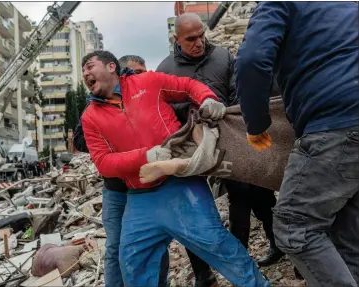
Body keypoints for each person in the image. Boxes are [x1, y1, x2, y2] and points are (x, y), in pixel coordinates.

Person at [81, 50, 269, 287]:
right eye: (83, 71)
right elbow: (103, 163)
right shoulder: (90, 117)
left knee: (216, 243)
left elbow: (188, 86)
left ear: (110, 67)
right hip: (141, 199)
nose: (85, 73)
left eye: (89, 66)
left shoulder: (148, 82)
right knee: (132, 261)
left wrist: (208, 98)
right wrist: (145, 156)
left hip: (180, 186)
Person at [235, 2, 359, 286]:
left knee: (294, 226)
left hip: (334, 124)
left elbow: (252, 59)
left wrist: (255, 125)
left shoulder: (279, 3)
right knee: (348, 232)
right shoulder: (347, 7)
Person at [74, 55, 217, 287]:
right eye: (133, 73)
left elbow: (182, 96)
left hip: (159, 183)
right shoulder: (95, 108)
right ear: (119, 72)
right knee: (116, 248)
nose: (138, 77)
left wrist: (204, 102)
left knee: (157, 244)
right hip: (118, 190)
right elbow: (88, 146)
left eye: (142, 72)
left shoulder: (149, 89)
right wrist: (135, 151)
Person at [156, 12, 283, 267]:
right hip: (200, 146)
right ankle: (238, 261)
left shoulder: (223, 56)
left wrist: (230, 116)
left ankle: (278, 245)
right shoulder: (166, 70)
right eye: (191, 39)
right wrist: (194, 113)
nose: (199, 42)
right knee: (236, 197)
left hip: (237, 137)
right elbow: (166, 110)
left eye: (202, 35)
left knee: (260, 192)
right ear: (176, 39)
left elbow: (239, 93)